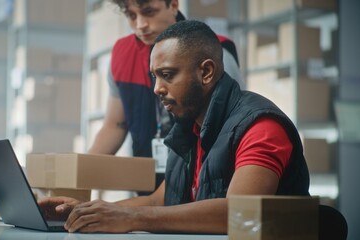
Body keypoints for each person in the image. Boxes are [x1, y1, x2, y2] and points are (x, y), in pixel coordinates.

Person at [39, 20, 310, 234]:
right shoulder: (188, 128)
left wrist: (130, 217)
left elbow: (239, 213)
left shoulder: (260, 126)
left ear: (206, 72)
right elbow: (159, 201)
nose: (157, 88)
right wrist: (85, 212)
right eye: (154, 77)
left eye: (167, 75)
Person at [88, 0, 244, 194]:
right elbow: (114, 126)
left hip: (201, 188)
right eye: (131, 15)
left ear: (173, 5)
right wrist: (77, 175)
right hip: (149, 188)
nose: (140, 24)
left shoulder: (213, 50)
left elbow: (231, 131)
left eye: (149, 12)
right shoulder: (121, 55)